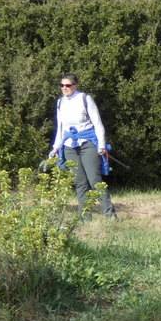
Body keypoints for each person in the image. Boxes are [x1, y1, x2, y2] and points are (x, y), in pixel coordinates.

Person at [49, 73, 115, 217]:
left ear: (75, 85)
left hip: (87, 143)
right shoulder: (60, 103)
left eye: (68, 85)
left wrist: (101, 145)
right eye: (62, 85)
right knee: (80, 183)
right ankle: (85, 217)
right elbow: (61, 128)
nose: (64, 88)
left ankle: (110, 215)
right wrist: (55, 147)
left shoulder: (85, 99)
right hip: (69, 146)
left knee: (95, 181)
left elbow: (97, 123)